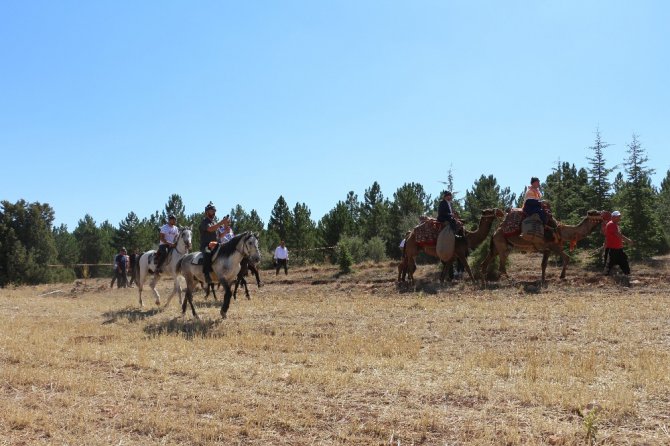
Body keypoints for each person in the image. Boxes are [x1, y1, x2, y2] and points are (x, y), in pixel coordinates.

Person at [199, 202, 229, 284]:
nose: (213, 212)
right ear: (207, 212)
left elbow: (219, 235)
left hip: (216, 244)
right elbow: (210, 229)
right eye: (211, 211)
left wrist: (226, 231)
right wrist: (221, 222)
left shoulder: (214, 222)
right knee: (208, 252)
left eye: (214, 211)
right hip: (207, 245)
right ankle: (206, 274)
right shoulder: (204, 222)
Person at [604, 210, 633, 275]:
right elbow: (618, 234)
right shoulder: (611, 224)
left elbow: (616, 236)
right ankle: (605, 277)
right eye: (618, 216)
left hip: (618, 248)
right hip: (612, 248)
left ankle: (627, 274)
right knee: (609, 264)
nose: (619, 218)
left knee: (624, 260)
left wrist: (622, 241)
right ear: (613, 217)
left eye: (619, 216)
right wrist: (628, 240)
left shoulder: (615, 224)